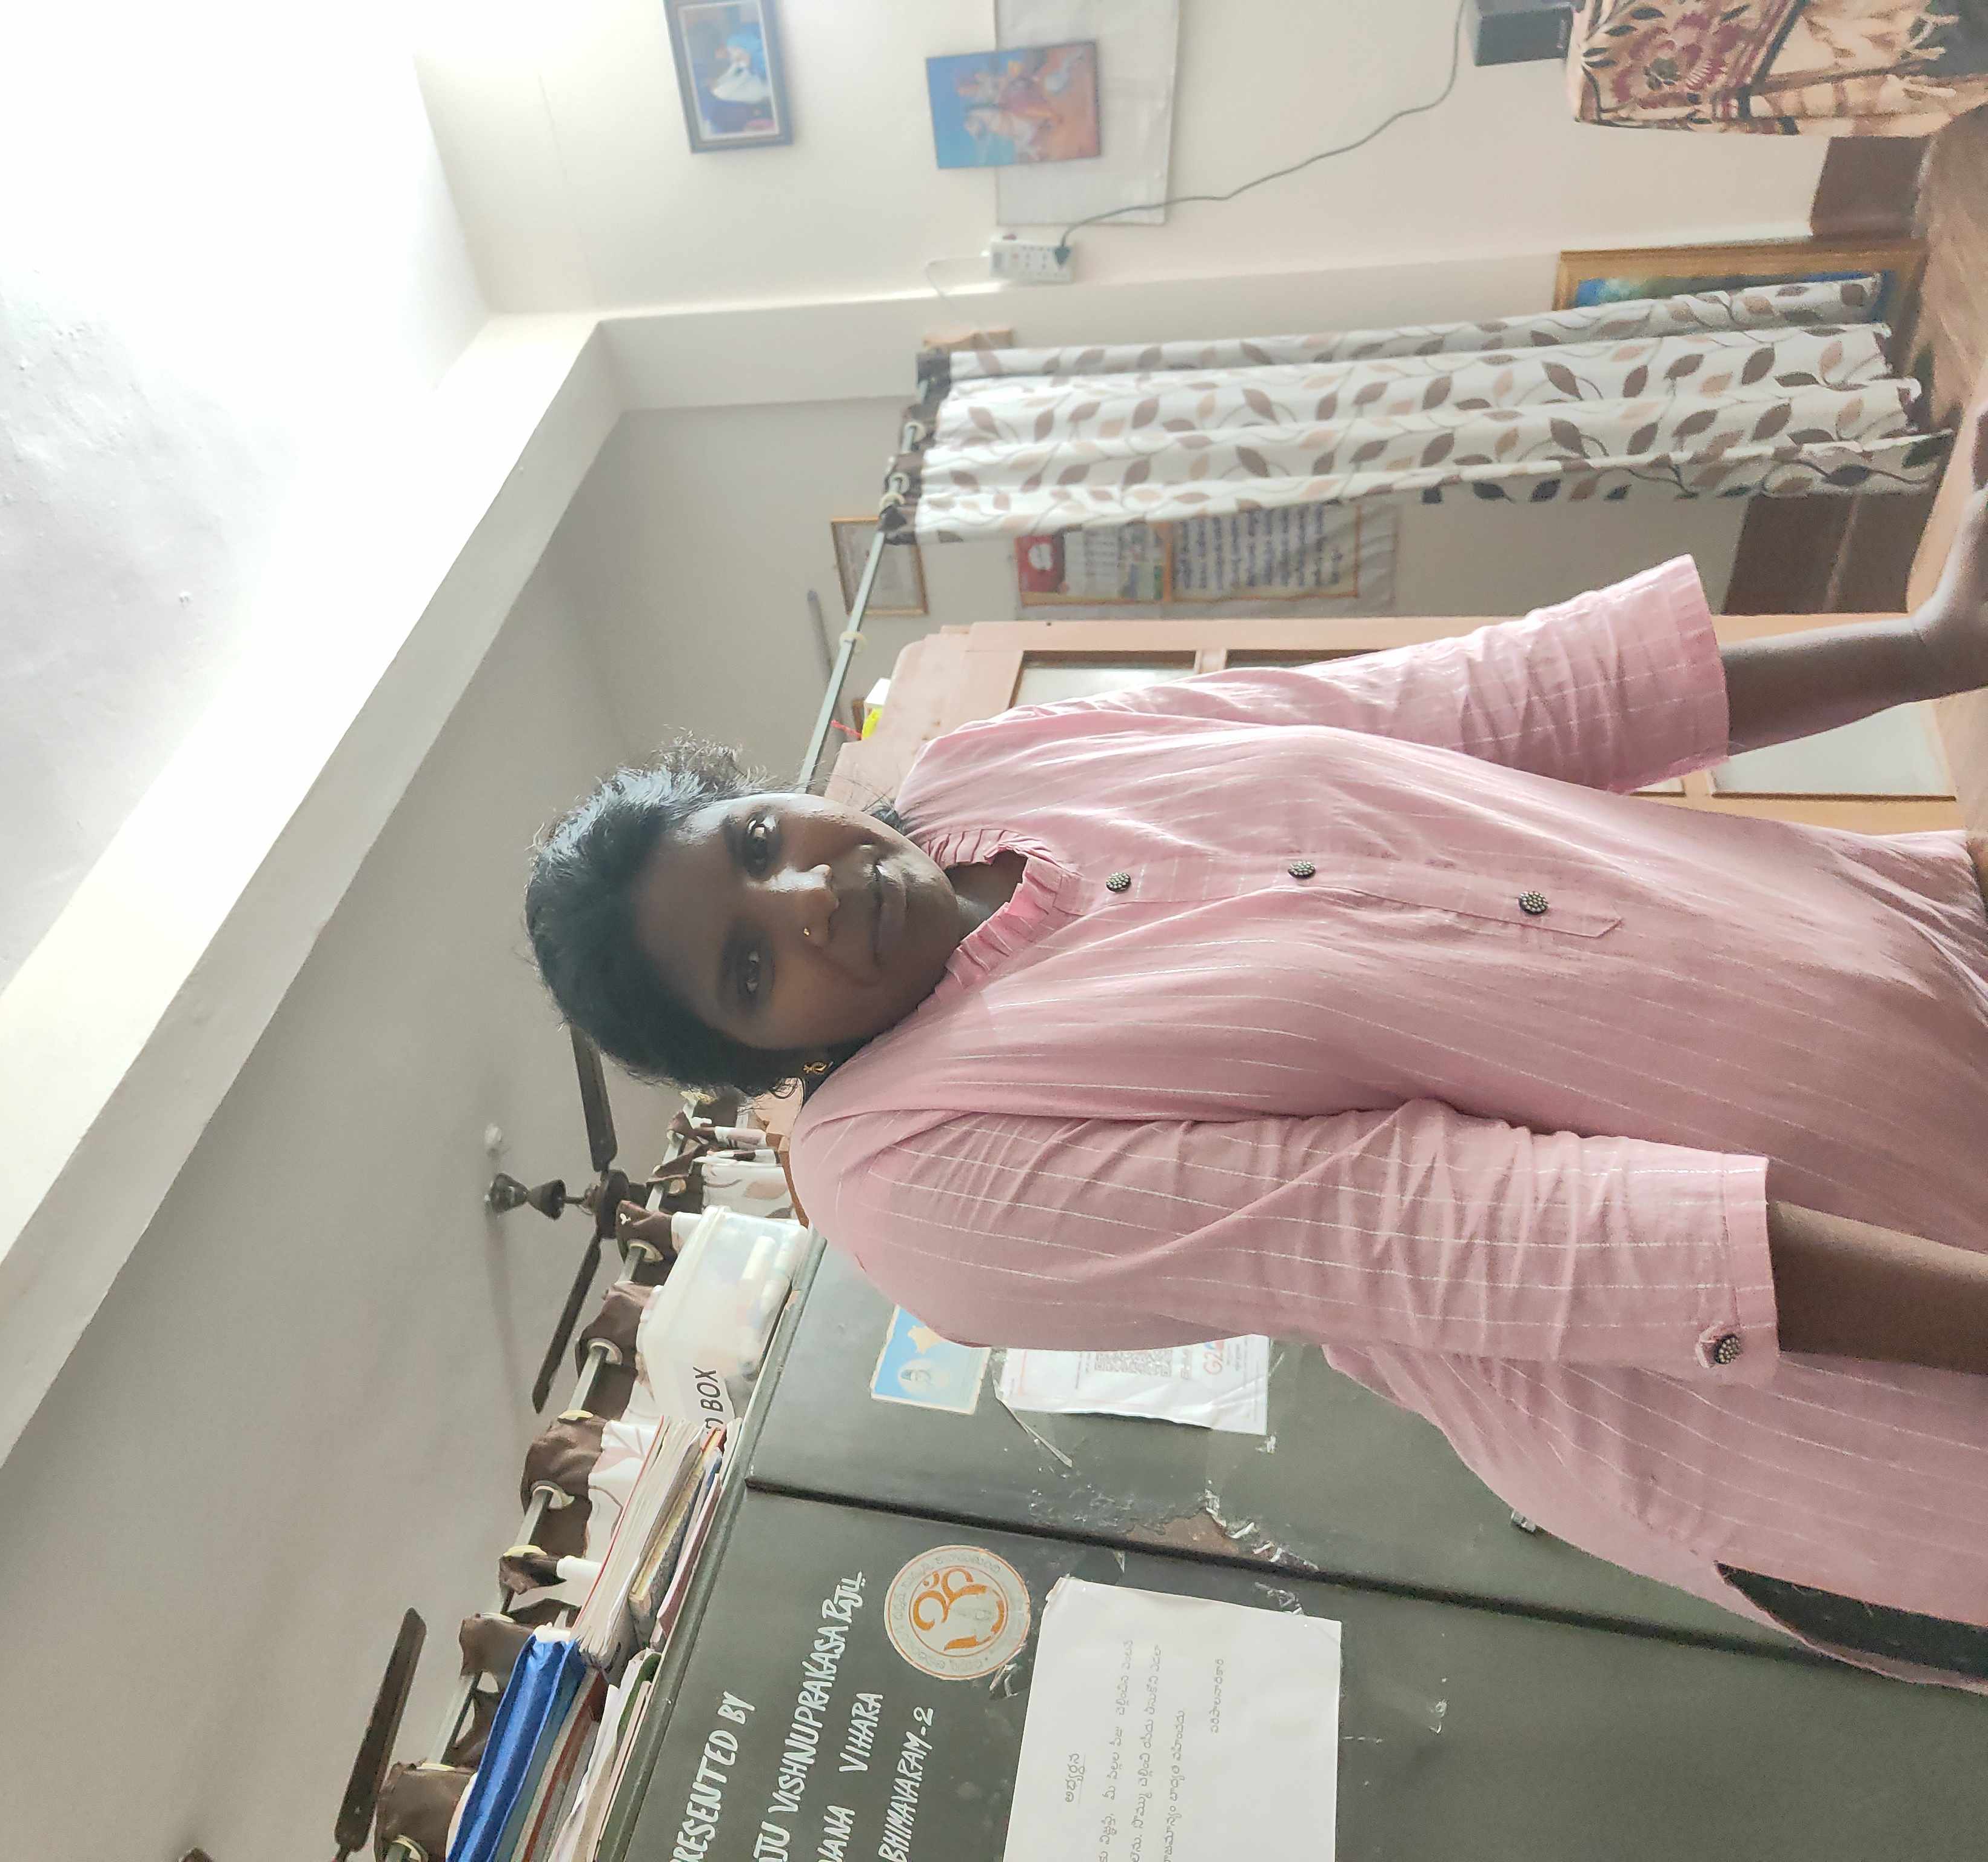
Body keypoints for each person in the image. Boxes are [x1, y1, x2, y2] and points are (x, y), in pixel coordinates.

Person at [524, 433, 1988, 1686]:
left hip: (1919, 942)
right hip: (1892, 1364)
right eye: (747, 967)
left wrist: (1930, 649)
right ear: (750, 1057)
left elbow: (1484, 704)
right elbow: (1500, 1236)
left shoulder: (995, 762)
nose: (803, 897)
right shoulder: (904, 1171)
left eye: (754, 842)